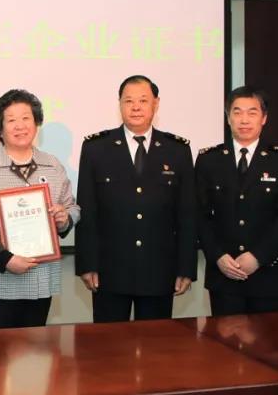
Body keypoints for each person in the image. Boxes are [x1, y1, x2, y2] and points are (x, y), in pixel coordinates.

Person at [75, 75, 196, 321]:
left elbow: (187, 214)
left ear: (156, 104)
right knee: (109, 342)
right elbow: (87, 211)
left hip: (160, 271)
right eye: (128, 101)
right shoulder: (96, 148)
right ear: (119, 104)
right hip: (110, 271)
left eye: (143, 100)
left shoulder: (177, 150)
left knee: (155, 342)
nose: (136, 107)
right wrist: (87, 264)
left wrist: (186, 267)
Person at [0, 89, 80, 330]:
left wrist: (64, 218)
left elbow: (72, 206)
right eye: (11, 120)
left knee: (38, 350)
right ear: (0, 129)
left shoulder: (52, 165)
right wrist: (6, 259)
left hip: (41, 280)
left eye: (26, 118)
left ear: (36, 123)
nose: (20, 126)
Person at [195, 86, 278, 316]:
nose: (244, 120)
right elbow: (199, 215)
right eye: (237, 112)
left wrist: (259, 256)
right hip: (224, 275)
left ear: (264, 118)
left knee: (268, 338)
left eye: (252, 113)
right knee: (223, 338)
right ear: (228, 117)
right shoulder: (208, 160)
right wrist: (218, 256)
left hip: (268, 275)